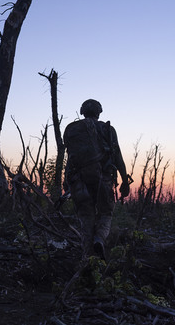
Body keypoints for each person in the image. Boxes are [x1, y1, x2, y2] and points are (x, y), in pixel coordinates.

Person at [63, 99, 129, 258]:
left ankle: (87, 258)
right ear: (99, 112)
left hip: (79, 182)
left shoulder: (72, 130)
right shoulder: (108, 130)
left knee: (86, 218)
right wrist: (125, 181)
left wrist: (66, 182)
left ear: (82, 111)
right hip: (103, 181)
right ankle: (99, 238)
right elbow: (117, 157)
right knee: (106, 213)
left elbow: (70, 159)